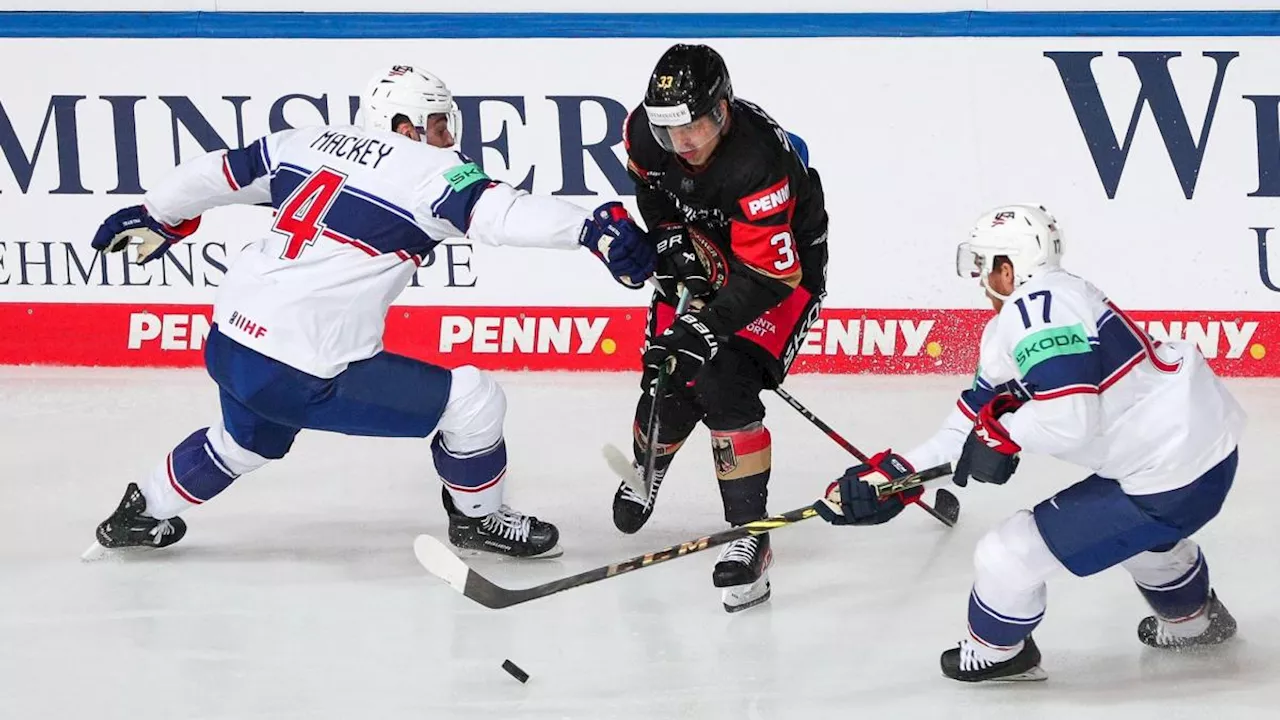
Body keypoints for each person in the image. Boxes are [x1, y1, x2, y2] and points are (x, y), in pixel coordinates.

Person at [85, 64, 655, 560]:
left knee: (245, 441)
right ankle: (479, 520)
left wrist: (158, 213)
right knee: (473, 401)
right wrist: (590, 229)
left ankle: (142, 510)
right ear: (403, 127)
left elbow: (218, 173)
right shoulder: (430, 172)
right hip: (301, 365)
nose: (446, 137)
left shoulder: (306, 141)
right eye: (437, 124)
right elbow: (503, 212)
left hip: (230, 343)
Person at [816, 204, 1246, 681]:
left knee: (1007, 554)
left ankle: (999, 654)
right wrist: (894, 475)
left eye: (984, 266)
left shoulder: (1034, 308)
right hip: (1205, 456)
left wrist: (1003, 434)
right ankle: (1193, 622)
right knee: (1143, 541)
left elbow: (1069, 420)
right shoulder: (1053, 301)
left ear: (1008, 268)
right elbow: (969, 423)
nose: (979, 280)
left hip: (1164, 478)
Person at [617, 43, 829, 612]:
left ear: (722, 109)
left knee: (722, 380)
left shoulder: (755, 161)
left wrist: (707, 331)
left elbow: (769, 275)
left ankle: (750, 535)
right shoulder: (644, 132)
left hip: (779, 275)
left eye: (693, 126)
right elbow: (651, 188)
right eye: (668, 130)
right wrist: (665, 234)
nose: (681, 142)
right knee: (666, 372)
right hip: (707, 249)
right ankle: (649, 468)